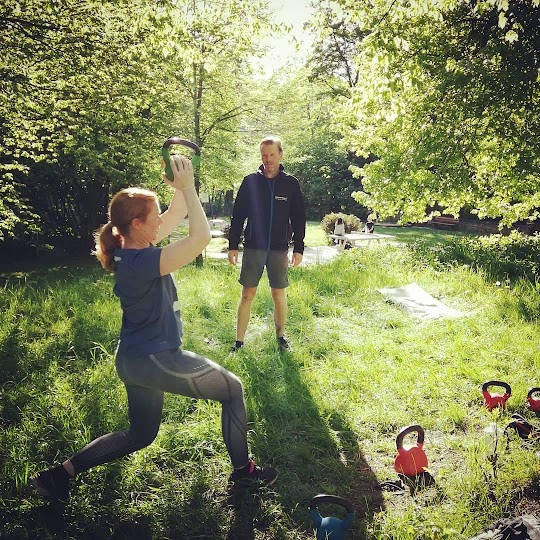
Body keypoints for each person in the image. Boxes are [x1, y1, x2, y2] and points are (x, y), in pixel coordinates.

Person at [30, 154, 277, 503]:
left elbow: (176, 214)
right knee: (232, 389)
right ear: (137, 223)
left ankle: (58, 476)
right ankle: (244, 473)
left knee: (140, 435)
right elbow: (200, 238)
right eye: (154, 215)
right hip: (157, 358)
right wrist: (189, 189)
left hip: (134, 361)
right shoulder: (143, 261)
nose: (161, 220)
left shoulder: (131, 250)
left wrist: (181, 186)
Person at [228, 136, 306, 352]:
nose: (268, 159)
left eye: (272, 154)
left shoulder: (290, 184)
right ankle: (239, 342)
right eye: (264, 155)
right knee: (247, 294)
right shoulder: (250, 182)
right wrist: (233, 245)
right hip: (253, 246)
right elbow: (238, 215)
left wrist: (298, 247)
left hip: (279, 248)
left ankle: (281, 337)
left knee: (278, 294)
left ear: (280, 155)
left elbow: (299, 217)